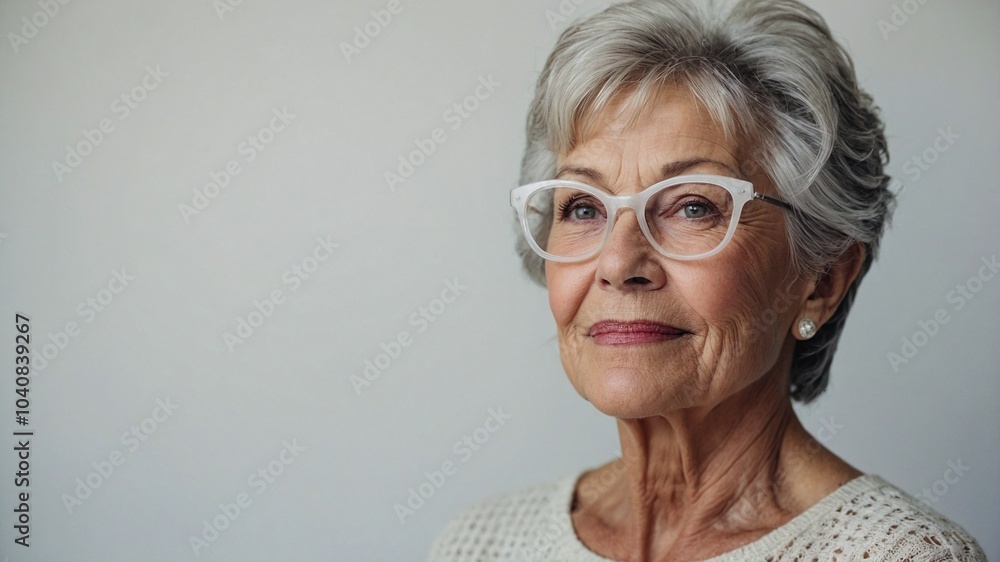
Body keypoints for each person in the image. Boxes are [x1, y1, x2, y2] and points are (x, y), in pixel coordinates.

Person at [428, 0, 987, 559]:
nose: (618, 264)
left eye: (693, 207)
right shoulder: (481, 543)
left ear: (821, 280)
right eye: (582, 208)